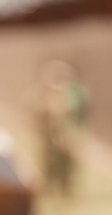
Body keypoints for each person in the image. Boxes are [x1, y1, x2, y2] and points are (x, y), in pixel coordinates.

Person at [36, 60, 89, 195]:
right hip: (51, 136)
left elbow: (73, 110)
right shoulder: (45, 93)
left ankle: (65, 187)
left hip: (68, 134)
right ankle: (51, 185)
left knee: (66, 162)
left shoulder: (76, 93)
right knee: (50, 162)